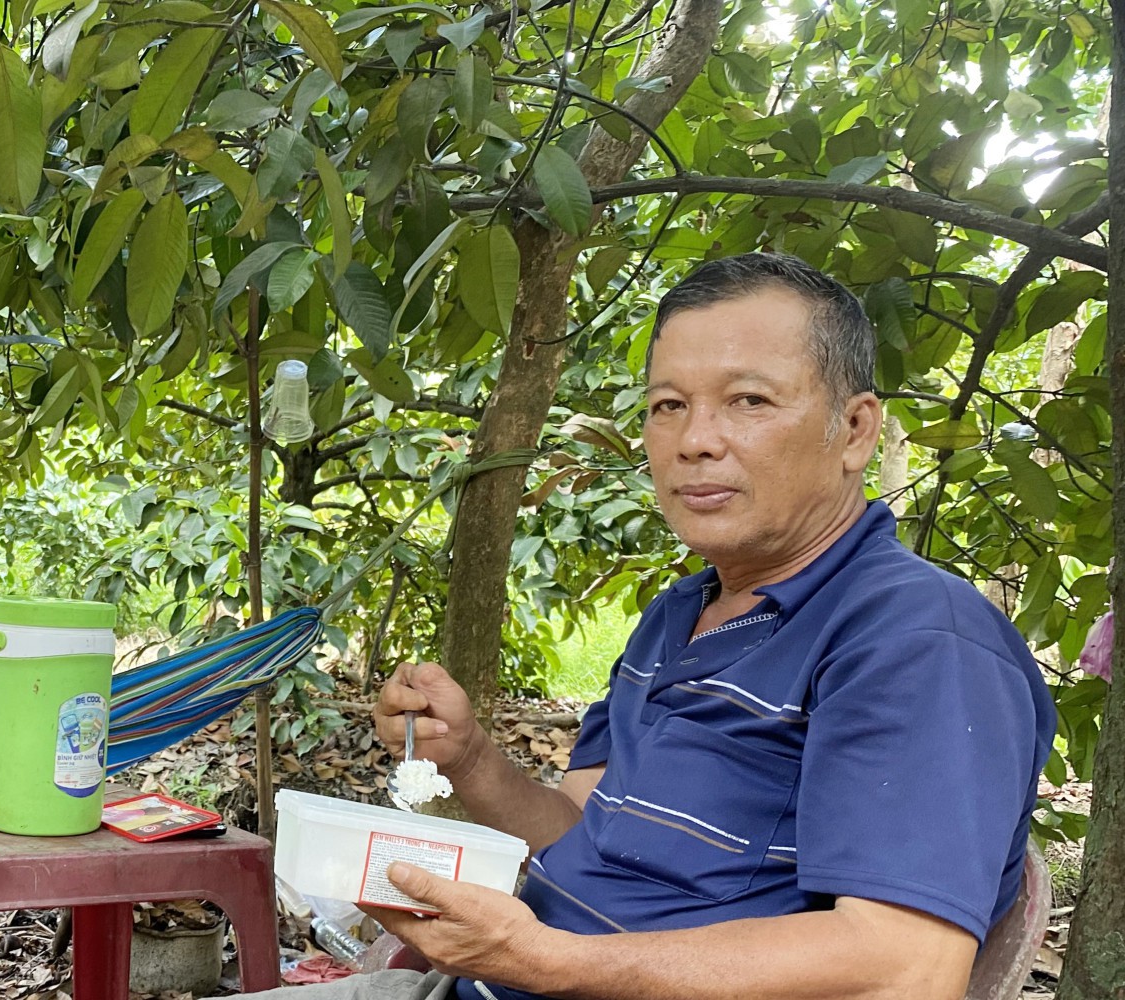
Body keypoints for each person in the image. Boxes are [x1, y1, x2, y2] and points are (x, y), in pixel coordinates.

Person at [245, 253, 1057, 1000]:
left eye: (749, 401)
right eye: (669, 406)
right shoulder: (680, 616)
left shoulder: (916, 638)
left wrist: (541, 959)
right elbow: (581, 833)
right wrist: (471, 759)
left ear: (855, 431)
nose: (695, 442)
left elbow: (904, 967)